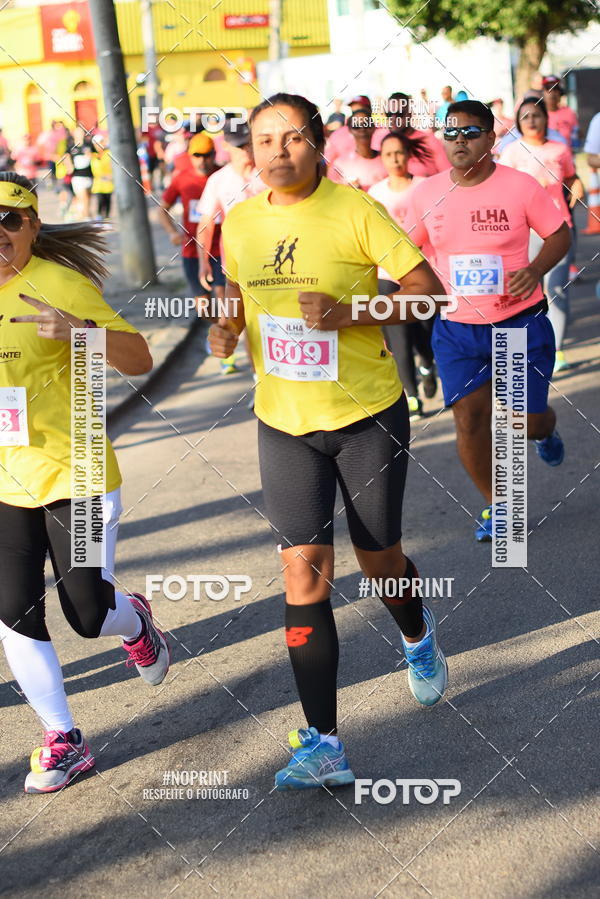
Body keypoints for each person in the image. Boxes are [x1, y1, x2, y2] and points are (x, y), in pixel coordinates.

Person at [208, 92, 449, 791]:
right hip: (283, 422)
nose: (276, 151)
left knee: (381, 563)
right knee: (302, 571)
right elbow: (234, 292)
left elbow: (427, 293)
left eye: (291, 138)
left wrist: (352, 312)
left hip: (365, 417)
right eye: (263, 139)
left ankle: (417, 632)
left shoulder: (354, 210)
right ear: (248, 150)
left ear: (317, 145)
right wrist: (225, 329)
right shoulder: (240, 222)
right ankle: (325, 743)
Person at [0, 172, 170, 793]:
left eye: (8, 221)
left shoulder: (61, 285)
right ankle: (63, 737)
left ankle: (135, 622)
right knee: (12, 614)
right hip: (6, 481)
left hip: (80, 475)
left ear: (32, 227)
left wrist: (79, 331)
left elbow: (139, 358)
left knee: (88, 616)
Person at [404, 100, 571, 541]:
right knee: (470, 421)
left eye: (471, 132)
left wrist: (534, 270)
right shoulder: (425, 194)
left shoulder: (521, 186)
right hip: (457, 329)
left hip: (516, 323)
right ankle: (498, 508)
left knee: (524, 423)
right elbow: (404, 251)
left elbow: (559, 234)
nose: (460, 141)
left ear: (491, 138)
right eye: (451, 133)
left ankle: (545, 430)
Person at [500, 98, 584, 372]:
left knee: (556, 289)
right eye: (525, 117)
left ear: (545, 119)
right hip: (522, 232)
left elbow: (571, 177)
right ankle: (524, 348)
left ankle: (556, 350)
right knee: (524, 290)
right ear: (518, 122)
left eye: (536, 115)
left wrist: (577, 184)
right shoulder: (512, 152)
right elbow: (499, 190)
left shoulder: (560, 149)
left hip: (558, 230)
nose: (531, 120)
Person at [367, 131, 437, 416]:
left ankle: (427, 365)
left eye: (399, 153)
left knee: (424, 333)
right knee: (398, 335)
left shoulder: (426, 187)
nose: (394, 159)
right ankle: (410, 393)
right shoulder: (375, 194)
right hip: (386, 274)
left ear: (409, 155)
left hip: (423, 272)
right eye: (388, 154)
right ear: (381, 159)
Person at [196, 119, 265, 377]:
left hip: (274, 262)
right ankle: (259, 379)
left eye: (247, 145)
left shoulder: (267, 175)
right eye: (238, 147)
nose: (245, 152)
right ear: (226, 146)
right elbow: (206, 223)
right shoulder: (219, 180)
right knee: (244, 322)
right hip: (236, 268)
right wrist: (203, 262)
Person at [158, 133, 222, 308]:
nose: (202, 160)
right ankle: (220, 331)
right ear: (189, 156)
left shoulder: (223, 176)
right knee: (203, 307)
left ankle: (231, 333)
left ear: (214, 154)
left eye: (207, 155)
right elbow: (162, 210)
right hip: (192, 250)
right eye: (197, 155)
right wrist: (172, 233)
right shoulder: (182, 178)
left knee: (226, 302)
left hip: (221, 249)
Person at [383, 92, 450, 176]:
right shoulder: (383, 143)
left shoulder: (429, 141)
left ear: (410, 114)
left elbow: (447, 175)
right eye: (389, 114)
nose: (393, 118)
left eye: (399, 114)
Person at [328, 108, 386, 190]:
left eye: (366, 124)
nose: (362, 129)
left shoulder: (387, 160)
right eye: (357, 126)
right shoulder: (339, 165)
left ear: (374, 127)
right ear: (350, 130)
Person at [66, 125, 95, 220]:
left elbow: (98, 155)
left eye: (82, 132)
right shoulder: (71, 147)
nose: (80, 134)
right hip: (77, 177)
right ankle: (87, 218)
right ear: (74, 134)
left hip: (89, 175)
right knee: (84, 198)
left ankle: (80, 215)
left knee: (87, 199)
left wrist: (91, 155)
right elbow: (66, 157)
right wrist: (68, 165)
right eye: (78, 132)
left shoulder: (89, 145)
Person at [542, 75, 579, 150]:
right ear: (542, 93)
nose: (552, 93)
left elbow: (575, 139)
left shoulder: (570, 113)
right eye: (548, 88)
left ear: (560, 93)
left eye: (555, 89)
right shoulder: (538, 114)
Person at [91, 136, 113, 220]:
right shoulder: (93, 155)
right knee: (100, 201)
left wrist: (111, 175)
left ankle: (107, 218)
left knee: (107, 201)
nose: (97, 146)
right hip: (98, 183)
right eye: (95, 144)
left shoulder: (109, 153)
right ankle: (99, 217)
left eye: (99, 143)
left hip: (108, 182)